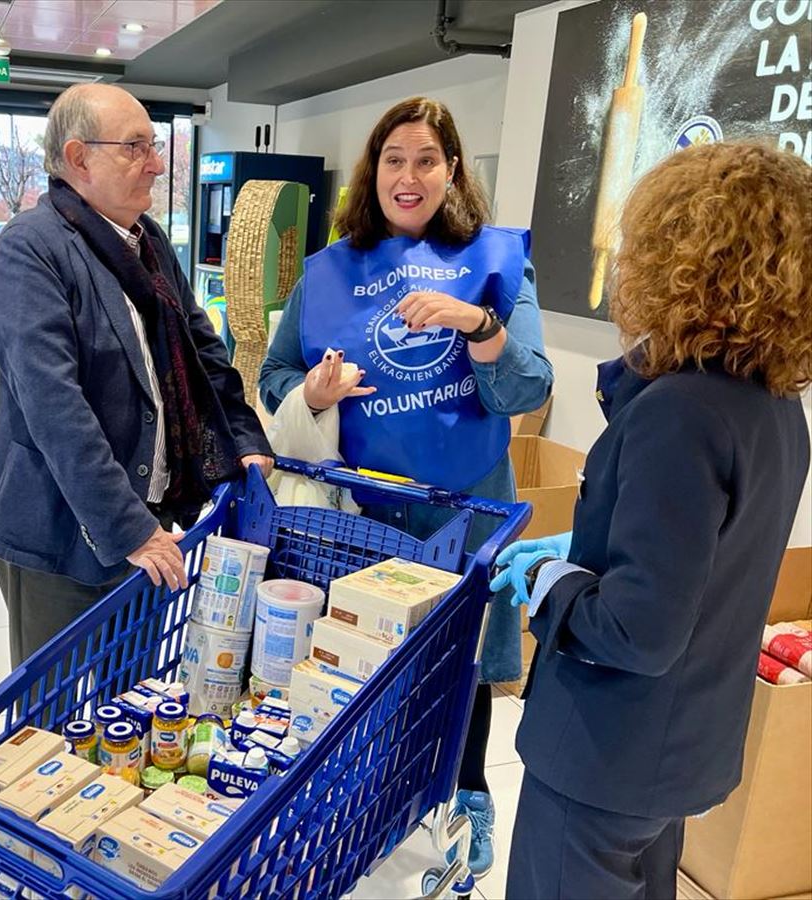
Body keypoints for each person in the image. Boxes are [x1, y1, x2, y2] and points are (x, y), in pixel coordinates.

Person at [493, 141, 811, 899]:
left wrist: (551, 577)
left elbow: (640, 630)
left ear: (680, 261)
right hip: (677, 750)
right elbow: (707, 564)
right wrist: (595, 544)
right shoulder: (771, 407)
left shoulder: (678, 412)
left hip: (605, 755)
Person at [258, 96, 554, 878]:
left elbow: (526, 389)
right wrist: (315, 392)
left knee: (467, 666)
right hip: (361, 513)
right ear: (374, 170)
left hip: (462, 508)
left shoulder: (495, 265)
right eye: (395, 159)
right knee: (360, 655)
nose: (410, 175)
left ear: (453, 170)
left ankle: (468, 798)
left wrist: (477, 325)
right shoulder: (327, 276)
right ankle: (367, 794)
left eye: (427, 159)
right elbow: (275, 372)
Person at [0, 84, 273, 670]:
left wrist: (243, 439)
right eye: (135, 147)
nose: (157, 164)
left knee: (132, 697)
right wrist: (130, 528)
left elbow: (203, 350)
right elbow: (52, 406)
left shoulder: (148, 243)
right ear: (78, 157)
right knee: (53, 721)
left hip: (150, 513)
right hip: (62, 530)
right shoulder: (31, 249)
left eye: (154, 145)